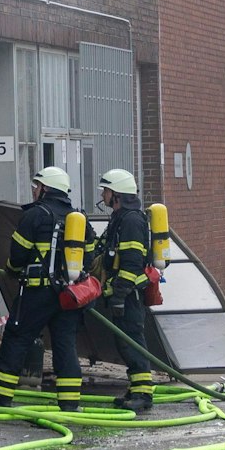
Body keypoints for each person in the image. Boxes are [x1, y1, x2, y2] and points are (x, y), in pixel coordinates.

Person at [0, 166, 84, 412]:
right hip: (68, 295)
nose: (34, 191)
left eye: (37, 186)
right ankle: (69, 403)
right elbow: (86, 257)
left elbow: (17, 254)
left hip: (37, 293)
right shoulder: (76, 217)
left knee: (17, 338)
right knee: (65, 344)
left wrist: (12, 270)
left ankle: (1, 397)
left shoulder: (35, 215)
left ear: (46, 189)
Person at [93, 168, 156, 412]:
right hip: (122, 293)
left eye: (106, 191)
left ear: (116, 194)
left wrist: (119, 295)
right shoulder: (121, 218)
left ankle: (143, 394)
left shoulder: (130, 221)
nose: (104, 195)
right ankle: (136, 388)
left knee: (132, 342)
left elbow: (131, 264)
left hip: (129, 295)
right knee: (126, 342)